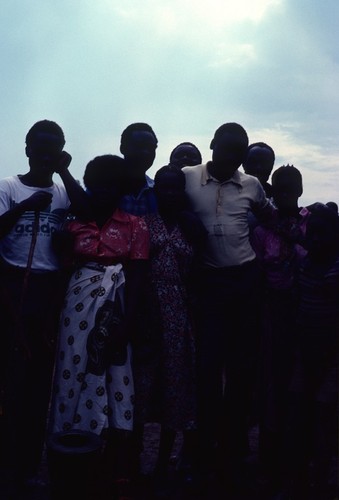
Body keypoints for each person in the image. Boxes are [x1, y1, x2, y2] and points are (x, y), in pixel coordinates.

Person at [182, 122, 275, 493]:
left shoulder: (250, 184)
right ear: (212, 145)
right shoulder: (187, 178)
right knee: (206, 371)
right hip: (207, 284)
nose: (232, 154)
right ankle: (204, 453)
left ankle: (232, 454)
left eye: (240, 149)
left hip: (245, 282)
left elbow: (270, 218)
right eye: (227, 146)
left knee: (240, 372)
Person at [48, 155, 150, 495]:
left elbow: (136, 277)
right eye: (96, 185)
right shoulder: (74, 226)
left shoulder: (136, 225)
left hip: (117, 310)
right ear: (88, 186)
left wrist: (127, 321)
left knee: (116, 378)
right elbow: (63, 272)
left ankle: (114, 462)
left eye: (110, 185)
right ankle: (71, 451)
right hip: (75, 313)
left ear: (120, 189)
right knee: (72, 371)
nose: (102, 191)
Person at [0, 119, 85, 489]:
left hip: (49, 291)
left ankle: (30, 464)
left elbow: (84, 208)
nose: (48, 153)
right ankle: (7, 461)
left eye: (56, 148)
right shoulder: (8, 188)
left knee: (38, 381)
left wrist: (65, 170)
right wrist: (26, 206)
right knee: (10, 378)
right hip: (11, 289)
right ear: (27, 149)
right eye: (42, 146)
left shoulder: (63, 192)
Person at [133, 165, 207, 487]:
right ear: (156, 191)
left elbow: (200, 274)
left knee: (174, 391)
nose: (170, 193)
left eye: (176, 188)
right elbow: (136, 276)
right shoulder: (143, 226)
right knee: (140, 390)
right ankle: (132, 465)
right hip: (148, 317)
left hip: (180, 317)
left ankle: (163, 464)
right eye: (164, 188)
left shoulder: (192, 227)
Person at [251, 165, 310, 492]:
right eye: (281, 188)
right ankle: (269, 462)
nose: (287, 193)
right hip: (273, 315)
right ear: (273, 190)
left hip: (307, 316)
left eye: (293, 187)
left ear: (301, 189)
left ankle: (298, 463)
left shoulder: (313, 223)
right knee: (272, 388)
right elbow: (258, 275)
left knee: (300, 389)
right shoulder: (262, 230)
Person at [285, 203, 339, 499]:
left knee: (322, 414)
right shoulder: (304, 264)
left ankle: (320, 479)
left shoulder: (334, 270)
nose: (316, 240)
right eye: (313, 234)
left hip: (331, 357)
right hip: (306, 353)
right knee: (301, 414)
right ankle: (300, 478)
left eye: (324, 235)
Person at [119, 122, 158, 216]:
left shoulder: (157, 191)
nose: (145, 152)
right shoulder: (103, 188)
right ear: (122, 148)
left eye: (150, 148)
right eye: (139, 146)